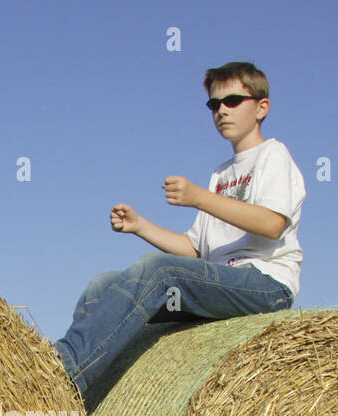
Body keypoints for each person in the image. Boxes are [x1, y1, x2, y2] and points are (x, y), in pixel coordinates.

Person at [54, 61, 306, 396]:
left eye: (232, 101)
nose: (221, 111)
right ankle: (82, 401)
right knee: (100, 287)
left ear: (262, 107)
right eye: (213, 104)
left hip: (265, 285)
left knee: (159, 272)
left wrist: (199, 198)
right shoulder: (221, 173)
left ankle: (63, 372)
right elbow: (195, 250)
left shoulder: (273, 155)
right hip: (218, 285)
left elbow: (272, 224)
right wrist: (140, 226)